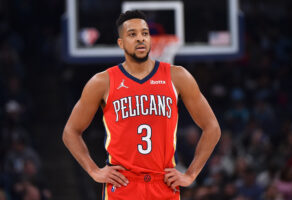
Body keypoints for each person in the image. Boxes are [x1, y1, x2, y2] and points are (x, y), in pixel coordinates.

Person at [62, 10, 221, 200]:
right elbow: (70, 131)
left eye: (145, 33)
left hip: (163, 183)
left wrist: (191, 174)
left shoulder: (177, 76)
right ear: (121, 43)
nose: (140, 39)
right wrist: (94, 171)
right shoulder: (102, 81)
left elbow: (212, 127)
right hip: (122, 184)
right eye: (132, 34)